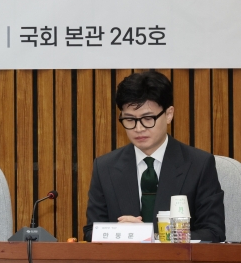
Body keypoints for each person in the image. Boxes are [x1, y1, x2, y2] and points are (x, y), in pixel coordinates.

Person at [84, 71, 225, 242]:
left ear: (169, 114)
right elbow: (92, 231)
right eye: (130, 119)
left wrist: (150, 237)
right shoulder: (104, 167)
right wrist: (119, 233)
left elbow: (213, 233)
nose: (138, 128)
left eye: (147, 118)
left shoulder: (199, 165)